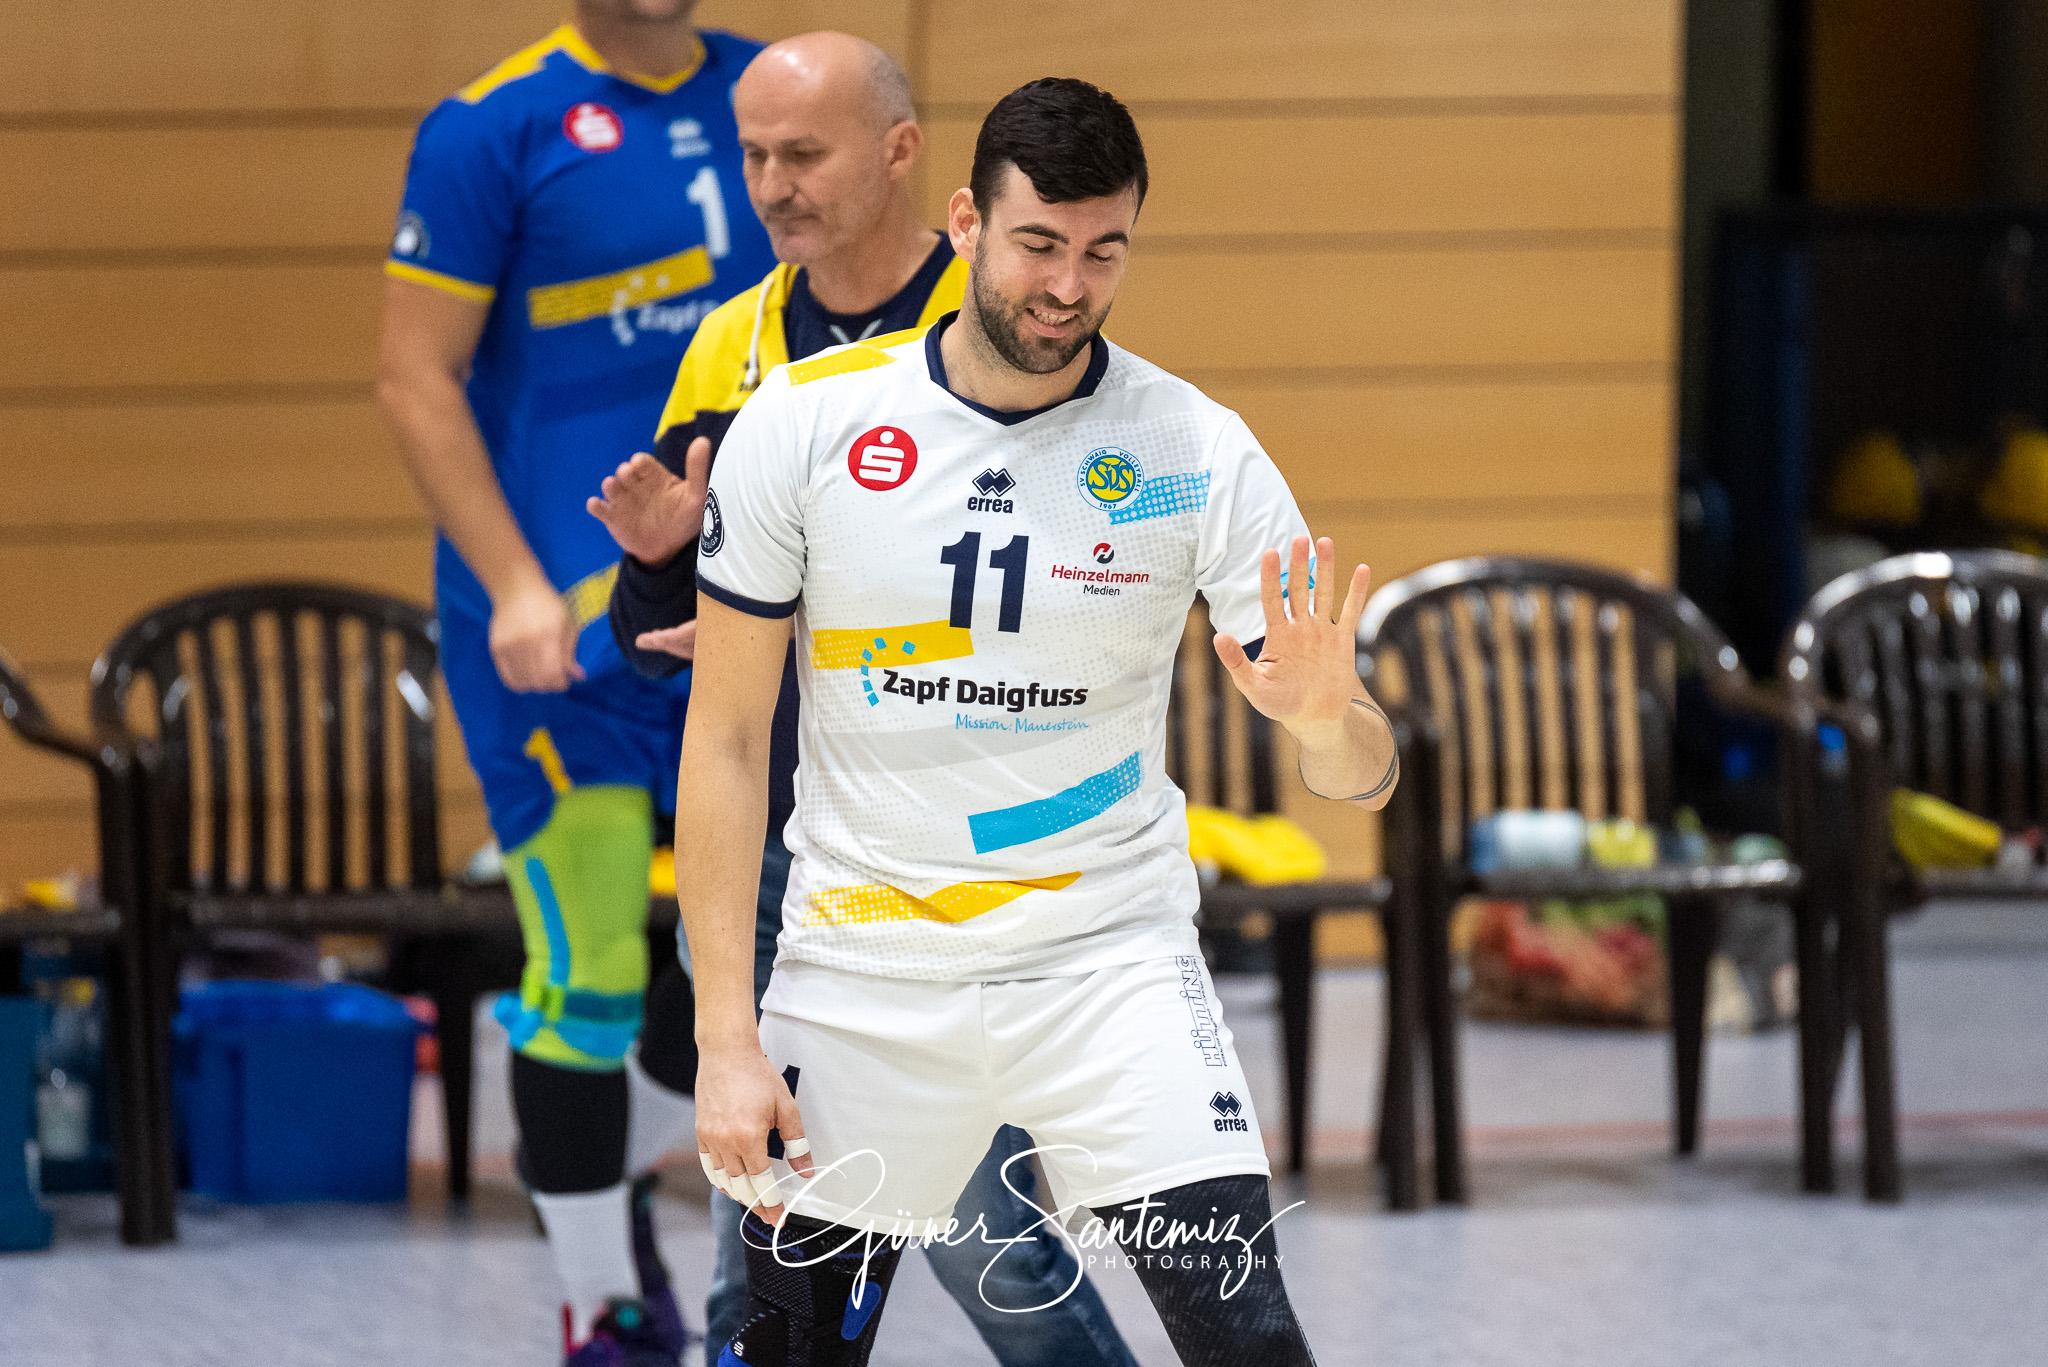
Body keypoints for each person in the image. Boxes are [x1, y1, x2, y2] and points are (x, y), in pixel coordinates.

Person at [678, 78, 1398, 1367]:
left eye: (1103, 251)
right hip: (862, 971)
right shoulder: (808, 421)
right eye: (1039, 244)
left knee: (1251, 1342)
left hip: (1108, 968)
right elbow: (726, 744)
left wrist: (1325, 719)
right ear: (964, 222)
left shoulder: (1196, 449)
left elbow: (1363, 777)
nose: (1069, 285)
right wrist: (725, 1037)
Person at [587, 35, 1138, 1367]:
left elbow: (1068, 580)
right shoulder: (735, 344)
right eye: (757, 157)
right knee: (766, 1231)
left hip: (964, 847)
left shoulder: (1010, 317)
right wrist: (667, 551)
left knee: (973, 1226)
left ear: (900, 153)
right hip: (787, 847)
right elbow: (651, 627)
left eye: (806, 155)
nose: (775, 186)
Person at [375, 2, 777, 1362]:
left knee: (773, 977)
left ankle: (600, 1191)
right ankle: (601, 1308)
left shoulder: (769, 95)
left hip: (736, 619)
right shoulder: (493, 126)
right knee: (591, 976)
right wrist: (514, 583)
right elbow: (414, 377)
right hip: (556, 638)